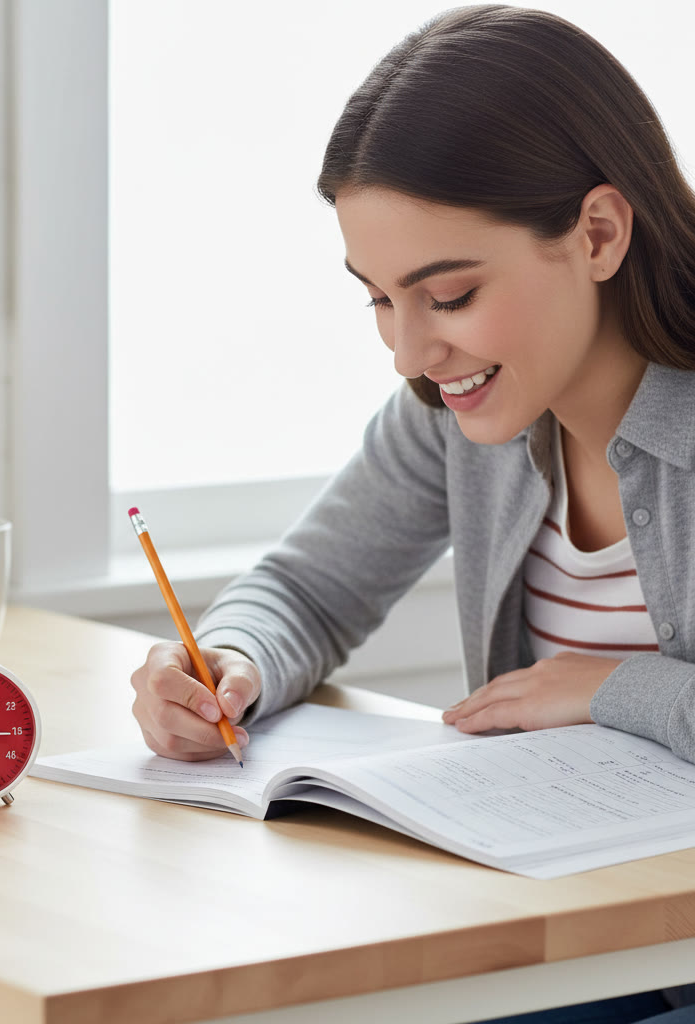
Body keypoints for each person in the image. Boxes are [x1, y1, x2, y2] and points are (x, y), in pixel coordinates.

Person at [128, 5, 695, 1022]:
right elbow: (309, 584)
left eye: (449, 292)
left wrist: (614, 687)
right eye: (379, 299)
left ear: (599, 233)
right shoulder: (455, 411)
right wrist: (230, 659)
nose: (408, 351)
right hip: (581, 939)